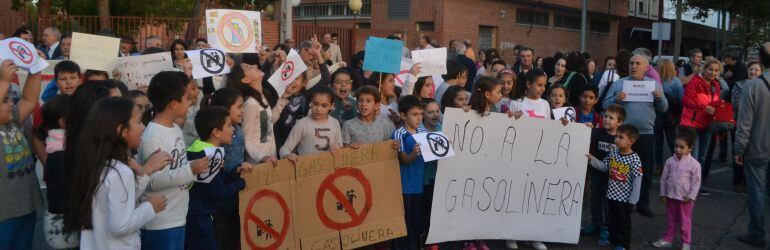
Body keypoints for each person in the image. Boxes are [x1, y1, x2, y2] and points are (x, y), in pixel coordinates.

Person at [65, 97, 170, 249]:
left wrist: (142, 175)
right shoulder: (120, 172)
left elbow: (118, 203)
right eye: (139, 121)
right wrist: (150, 207)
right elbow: (120, 226)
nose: (143, 127)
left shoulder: (95, 164)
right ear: (122, 130)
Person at [138, 71, 209, 250]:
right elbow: (151, 181)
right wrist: (190, 170)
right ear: (173, 104)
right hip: (160, 221)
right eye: (187, 98)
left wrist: (202, 168)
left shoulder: (175, 128)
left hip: (177, 215)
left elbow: (179, 167)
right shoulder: (152, 136)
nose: (191, 101)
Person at [602, 54, 669, 217]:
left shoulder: (653, 85)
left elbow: (664, 108)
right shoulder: (620, 83)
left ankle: (642, 204)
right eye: (632, 63)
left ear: (646, 67)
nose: (634, 66)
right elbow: (604, 105)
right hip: (623, 135)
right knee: (620, 171)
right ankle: (621, 202)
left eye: (638, 63)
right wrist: (616, 99)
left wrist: (659, 98)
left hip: (645, 134)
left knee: (643, 171)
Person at [185, 107, 250, 250]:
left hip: (194, 215)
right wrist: (240, 183)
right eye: (229, 125)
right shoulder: (209, 155)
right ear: (216, 132)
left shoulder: (199, 148)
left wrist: (236, 172)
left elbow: (217, 179)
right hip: (200, 218)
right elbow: (217, 192)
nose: (233, 129)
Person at [0, 60, 43, 250]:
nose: (11, 103)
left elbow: (29, 100)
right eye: (4, 100)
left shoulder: (11, 121)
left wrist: (35, 67)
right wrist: (3, 81)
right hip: (4, 215)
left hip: (26, 206)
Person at [735, 42, 770, 248]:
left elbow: (744, 123)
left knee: (756, 192)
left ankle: (757, 234)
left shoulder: (753, 86)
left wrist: (739, 149)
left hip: (757, 148)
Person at [202, 87, 246, 250]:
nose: (243, 110)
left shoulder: (237, 129)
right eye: (239, 107)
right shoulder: (218, 135)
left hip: (236, 189)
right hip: (222, 192)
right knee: (223, 234)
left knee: (236, 232)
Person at [587, 124, 643, 250]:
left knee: (623, 223)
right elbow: (604, 167)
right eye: (616, 136)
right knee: (612, 220)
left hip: (625, 200)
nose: (616, 139)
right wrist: (591, 159)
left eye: (621, 137)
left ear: (631, 141)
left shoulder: (634, 159)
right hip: (611, 195)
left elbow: (637, 180)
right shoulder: (614, 153)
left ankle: (623, 244)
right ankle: (613, 239)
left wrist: (633, 201)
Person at [36, 95, 78, 249]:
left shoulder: (59, 148)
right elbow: (67, 191)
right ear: (63, 121)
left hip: (66, 221)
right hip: (63, 227)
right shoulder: (61, 155)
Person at [581, 104, 625, 246]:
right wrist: (586, 127)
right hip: (596, 173)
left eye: (611, 118)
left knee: (608, 203)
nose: (606, 119)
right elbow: (584, 134)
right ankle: (596, 223)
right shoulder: (598, 132)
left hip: (612, 178)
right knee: (595, 200)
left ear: (619, 122)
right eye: (605, 116)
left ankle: (607, 228)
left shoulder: (620, 138)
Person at [652, 130, 701, 250]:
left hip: (685, 199)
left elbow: (696, 183)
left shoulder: (694, 164)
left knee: (685, 221)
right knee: (671, 219)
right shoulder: (670, 161)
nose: (678, 149)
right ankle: (667, 239)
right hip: (671, 197)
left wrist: (691, 196)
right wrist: (663, 194)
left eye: (681, 147)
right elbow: (663, 179)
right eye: (676, 146)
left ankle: (686, 242)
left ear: (690, 148)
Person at [680, 57, 723, 194]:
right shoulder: (695, 82)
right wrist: (705, 107)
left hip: (706, 124)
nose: (713, 73)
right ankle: (687, 185)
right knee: (694, 157)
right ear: (704, 69)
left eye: (716, 70)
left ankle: (696, 185)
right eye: (710, 69)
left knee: (702, 158)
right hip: (692, 123)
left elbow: (715, 102)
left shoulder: (715, 85)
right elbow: (687, 101)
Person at [391, 95, 427, 250]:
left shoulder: (422, 131)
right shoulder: (398, 134)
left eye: (421, 114)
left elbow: (433, 154)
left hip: (419, 185)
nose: (419, 118)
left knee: (416, 222)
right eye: (415, 114)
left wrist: (444, 146)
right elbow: (404, 159)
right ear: (403, 115)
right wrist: (414, 153)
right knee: (403, 223)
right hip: (404, 187)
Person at [227, 63, 283, 164]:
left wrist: (282, 101)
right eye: (249, 67)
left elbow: (267, 124)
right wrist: (261, 158)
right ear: (245, 80)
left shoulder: (262, 97)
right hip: (258, 164)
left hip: (271, 159)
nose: (255, 66)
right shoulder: (251, 104)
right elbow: (246, 138)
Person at [280, 86, 342, 160]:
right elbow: (285, 149)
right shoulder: (302, 124)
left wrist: (337, 148)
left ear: (332, 106)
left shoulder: (335, 123)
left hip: (329, 168)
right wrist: (288, 156)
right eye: (315, 104)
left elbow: (340, 146)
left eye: (324, 106)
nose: (318, 109)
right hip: (307, 169)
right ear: (311, 103)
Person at [730, 61, 761, 193]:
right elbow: (736, 104)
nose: (753, 72)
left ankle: (750, 181)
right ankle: (738, 181)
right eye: (751, 69)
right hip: (740, 123)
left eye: (756, 70)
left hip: (758, 126)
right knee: (738, 152)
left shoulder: (763, 86)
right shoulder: (739, 85)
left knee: (753, 154)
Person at [655, 59, 684, 173]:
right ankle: (661, 165)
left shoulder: (674, 82)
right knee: (661, 142)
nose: (656, 68)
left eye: (658, 66)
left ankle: (671, 165)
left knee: (670, 142)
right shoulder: (658, 81)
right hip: (660, 116)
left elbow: (680, 101)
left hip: (668, 116)